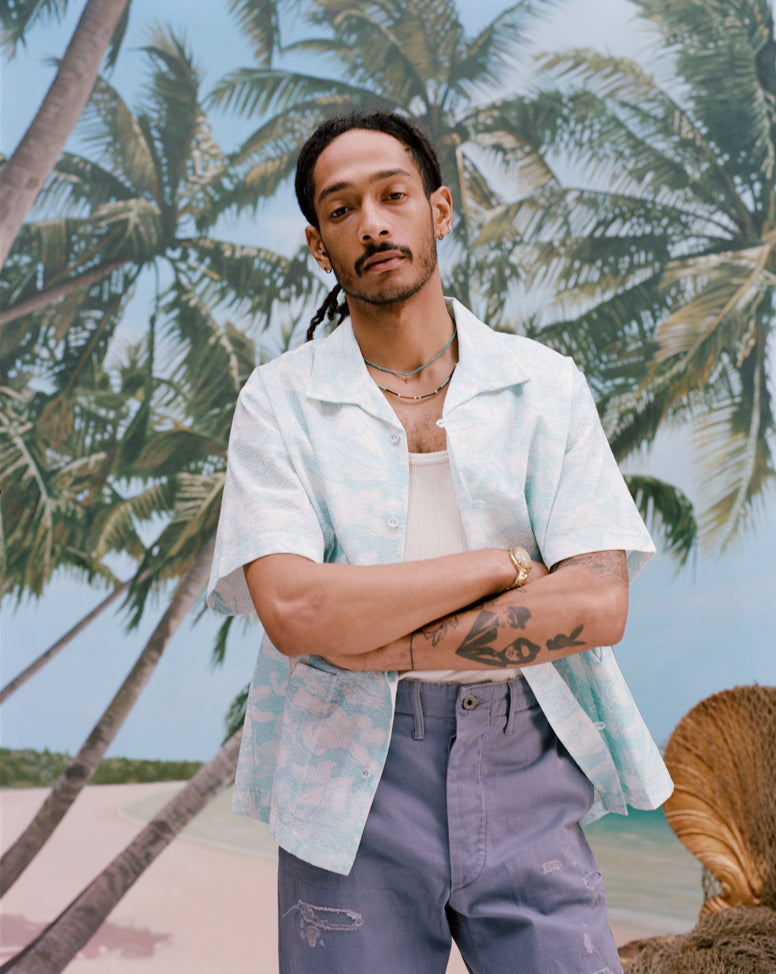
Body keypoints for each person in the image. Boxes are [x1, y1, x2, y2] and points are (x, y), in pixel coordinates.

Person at [207, 110, 672, 973]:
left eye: (393, 195)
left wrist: (387, 638)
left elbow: (599, 601)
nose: (372, 222)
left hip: (525, 755)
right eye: (340, 209)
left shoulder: (542, 385)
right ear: (319, 247)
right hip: (348, 776)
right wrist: (499, 568)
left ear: (440, 211)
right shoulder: (280, 402)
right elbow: (298, 610)